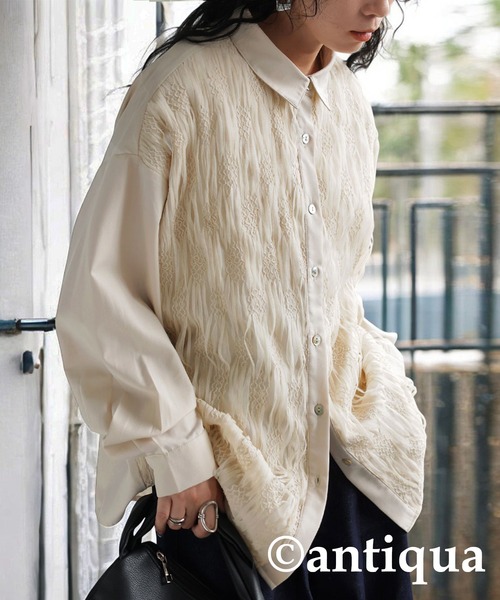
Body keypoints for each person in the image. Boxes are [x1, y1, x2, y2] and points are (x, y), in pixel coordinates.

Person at [56, 1, 426, 598]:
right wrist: (178, 454)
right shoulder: (182, 88)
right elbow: (100, 294)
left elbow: (333, 291)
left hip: (357, 484)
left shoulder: (348, 101)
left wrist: (389, 401)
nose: (380, 8)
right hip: (227, 496)